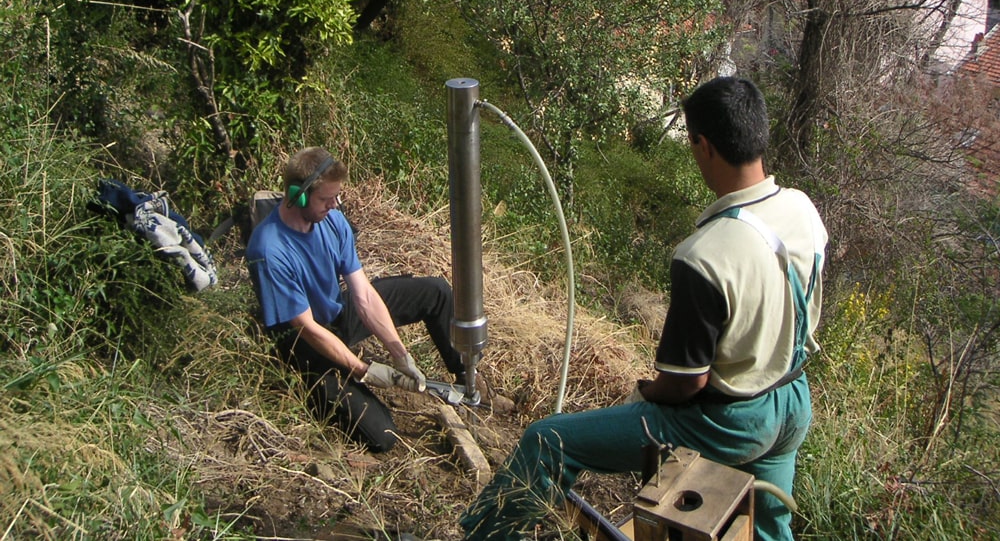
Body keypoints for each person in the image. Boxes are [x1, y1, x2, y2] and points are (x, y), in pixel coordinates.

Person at [459, 77, 828, 541]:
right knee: (770, 524)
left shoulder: (706, 254)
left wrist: (647, 392)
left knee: (548, 440)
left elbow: (685, 383)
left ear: (703, 144)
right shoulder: (803, 210)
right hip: (791, 402)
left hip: (728, 422)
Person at [246, 147, 467, 452]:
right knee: (383, 436)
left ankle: (469, 378)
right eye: (326, 199)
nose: (335, 205)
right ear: (297, 195)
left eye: (337, 197)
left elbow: (362, 294)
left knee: (436, 292)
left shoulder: (332, 221)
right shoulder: (269, 250)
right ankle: (315, 390)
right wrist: (363, 370)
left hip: (337, 315)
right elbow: (307, 329)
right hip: (304, 345)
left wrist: (400, 354)